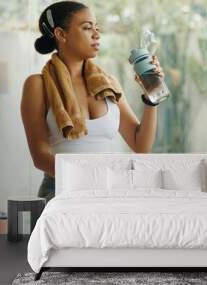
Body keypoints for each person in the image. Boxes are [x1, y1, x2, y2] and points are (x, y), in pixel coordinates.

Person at [20, 1, 164, 203]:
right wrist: (91, 182)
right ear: (61, 34)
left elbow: (141, 145)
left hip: (108, 190)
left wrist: (152, 95)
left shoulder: (109, 84)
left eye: (97, 28)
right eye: (87, 28)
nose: (96, 34)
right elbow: (40, 156)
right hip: (61, 191)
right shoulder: (37, 84)